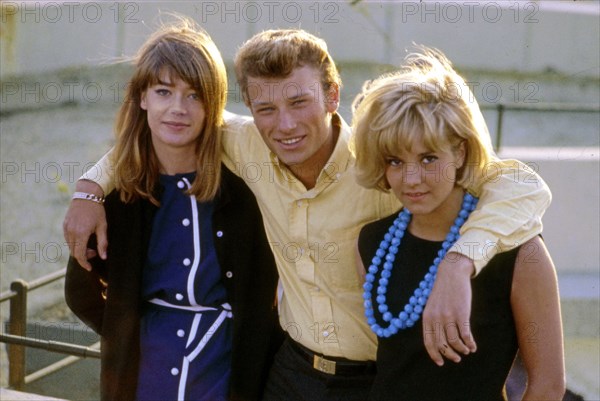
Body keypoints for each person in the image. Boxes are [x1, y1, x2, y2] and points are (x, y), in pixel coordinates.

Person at [63, 29, 552, 400]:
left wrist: (459, 261)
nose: (286, 125)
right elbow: (166, 128)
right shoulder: (243, 142)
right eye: (266, 109)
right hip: (289, 373)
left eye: (300, 102)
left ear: (332, 96)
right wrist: (89, 189)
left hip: (374, 380)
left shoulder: (385, 161)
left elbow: (521, 185)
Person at [64, 18, 281, 401]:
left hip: (225, 370)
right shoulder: (121, 197)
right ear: (143, 97)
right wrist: (128, 333)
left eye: (194, 95)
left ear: (213, 104)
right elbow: (80, 291)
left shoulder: (245, 190)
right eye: (164, 92)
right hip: (145, 375)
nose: (178, 109)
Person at [354, 47, 565, 400]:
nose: (411, 179)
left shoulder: (520, 252)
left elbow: (548, 385)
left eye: (428, 158)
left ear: (460, 153)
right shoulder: (372, 243)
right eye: (395, 161)